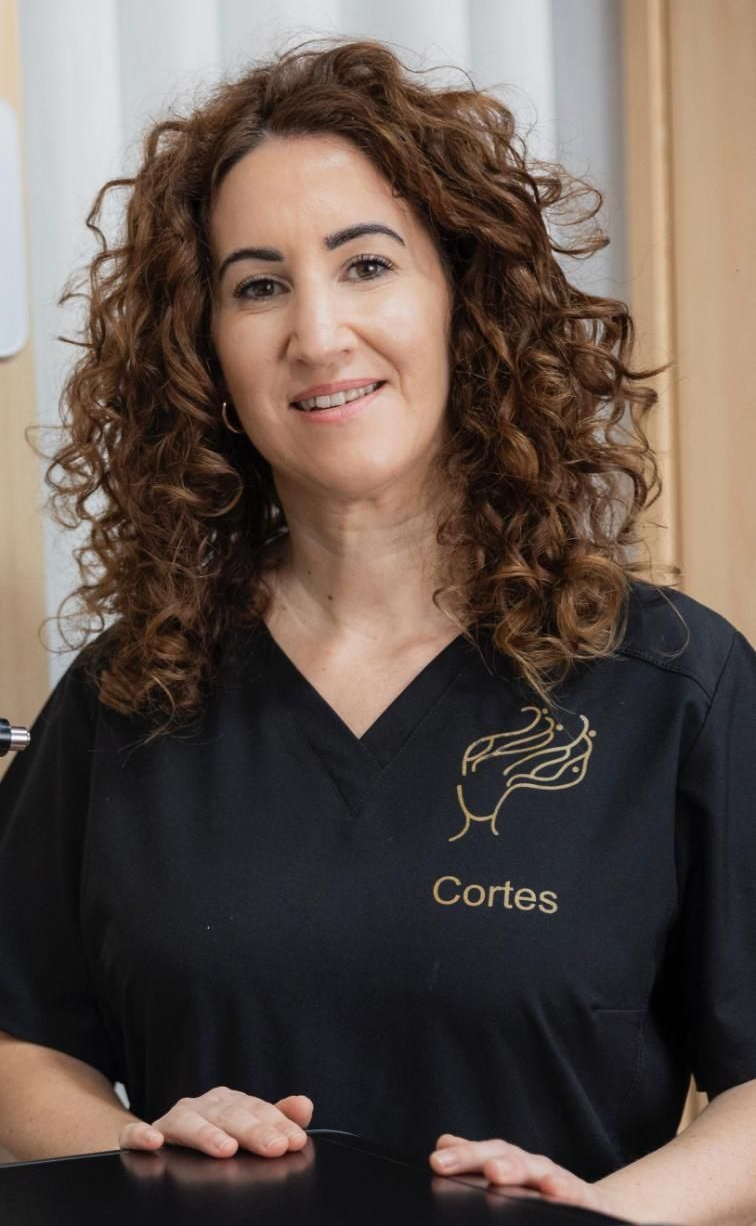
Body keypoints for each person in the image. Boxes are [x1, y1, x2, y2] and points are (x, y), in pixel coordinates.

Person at [1, 35, 755, 1224]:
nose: (316, 332)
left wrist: (609, 1218)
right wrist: (139, 1143)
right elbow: (17, 1045)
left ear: (467, 295)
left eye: (365, 264)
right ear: (204, 351)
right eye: (257, 284)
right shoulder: (127, 691)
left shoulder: (672, 680)